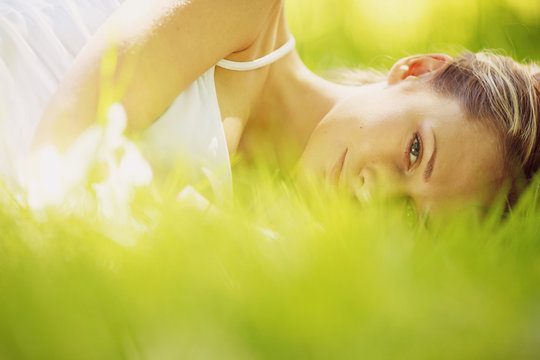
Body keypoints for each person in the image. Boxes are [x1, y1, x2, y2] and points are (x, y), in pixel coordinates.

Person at [1, 0, 538, 213]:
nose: (376, 193)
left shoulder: (259, 233)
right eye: (416, 151)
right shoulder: (250, 17)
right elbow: (59, 155)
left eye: (407, 218)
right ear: (416, 71)